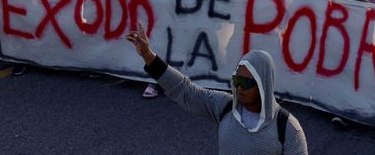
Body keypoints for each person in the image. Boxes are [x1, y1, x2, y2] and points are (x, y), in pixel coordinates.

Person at [127, 24, 308, 155]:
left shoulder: (288, 129)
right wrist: (147, 55)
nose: (238, 88)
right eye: (236, 81)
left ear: (264, 84)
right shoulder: (224, 106)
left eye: (246, 83)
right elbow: (184, 90)